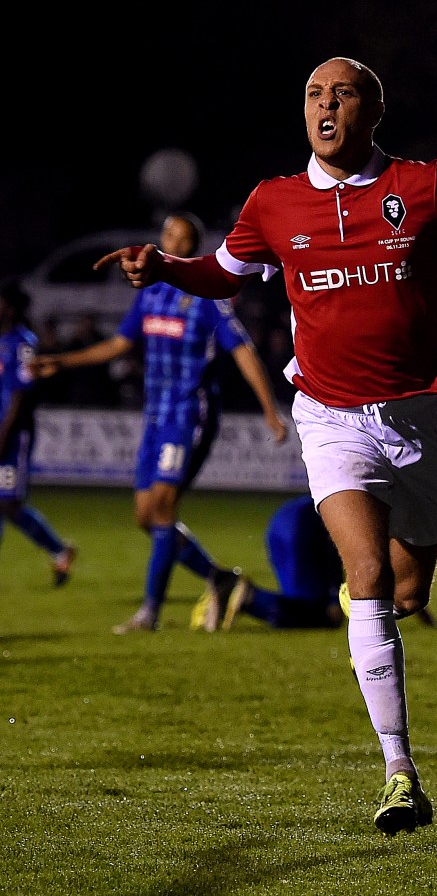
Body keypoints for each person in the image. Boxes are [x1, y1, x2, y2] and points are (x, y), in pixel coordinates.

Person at [95, 57, 437, 834]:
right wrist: (165, 270)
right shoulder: (273, 201)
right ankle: (398, 770)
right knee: (368, 571)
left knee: (406, 593)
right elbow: (223, 272)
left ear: (373, 109)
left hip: (417, 416)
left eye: (341, 93)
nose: (324, 105)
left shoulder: (425, 187)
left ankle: (365, 613)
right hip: (326, 415)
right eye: (313, 94)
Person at [31, 212, 288, 634]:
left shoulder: (207, 297)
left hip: (190, 417)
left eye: (177, 236)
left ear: (192, 247)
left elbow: (242, 351)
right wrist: (61, 361)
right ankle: (220, 579)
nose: (167, 240)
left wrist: (270, 411)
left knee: (164, 509)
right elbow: (118, 344)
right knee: (145, 517)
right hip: (155, 417)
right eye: (166, 233)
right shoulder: (150, 293)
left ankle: (149, 613)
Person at [0, 280, 76, 585]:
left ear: (11, 307)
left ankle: (60, 550)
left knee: (9, 504)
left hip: (12, 435)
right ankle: (60, 551)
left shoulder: (23, 343)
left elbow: (20, 394)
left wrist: (3, 435)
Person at [190, 493, 344, 631]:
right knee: (320, 615)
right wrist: (333, 596)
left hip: (283, 521)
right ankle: (249, 596)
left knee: (302, 605)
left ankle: (231, 592)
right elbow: (336, 544)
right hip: (304, 528)